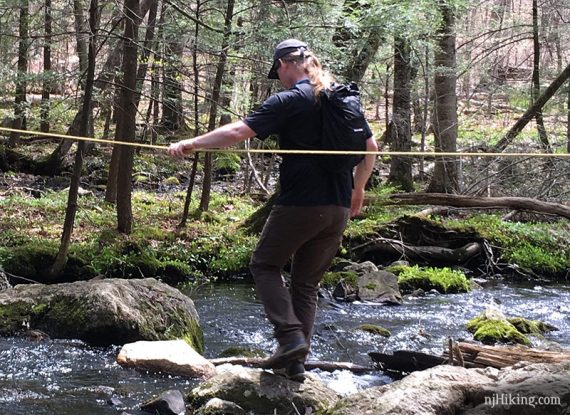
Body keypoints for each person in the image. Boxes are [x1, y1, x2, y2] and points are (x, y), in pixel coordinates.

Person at [168, 39, 377, 381]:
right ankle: (294, 363)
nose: (278, 78)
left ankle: (289, 338)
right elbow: (371, 146)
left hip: (301, 204)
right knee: (305, 285)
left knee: (264, 264)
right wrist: (358, 188)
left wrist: (191, 144)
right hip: (338, 207)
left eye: (277, 72)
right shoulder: (341, 99)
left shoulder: (290, 100)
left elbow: (238, 132)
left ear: (284, 64)